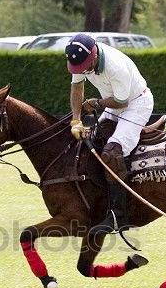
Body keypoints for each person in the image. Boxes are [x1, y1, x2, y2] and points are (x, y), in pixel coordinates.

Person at [65, 33, 155, 234]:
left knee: (112, 152)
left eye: (86, 67)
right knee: (89, 144)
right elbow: (77, 88)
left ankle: (118, 217)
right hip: (112, 103)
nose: (83, 71)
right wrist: (76, 120)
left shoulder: (114, 66)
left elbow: (122, 102)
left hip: (136, 103)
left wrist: (96, 103)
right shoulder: (80, 58)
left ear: (94, 53)